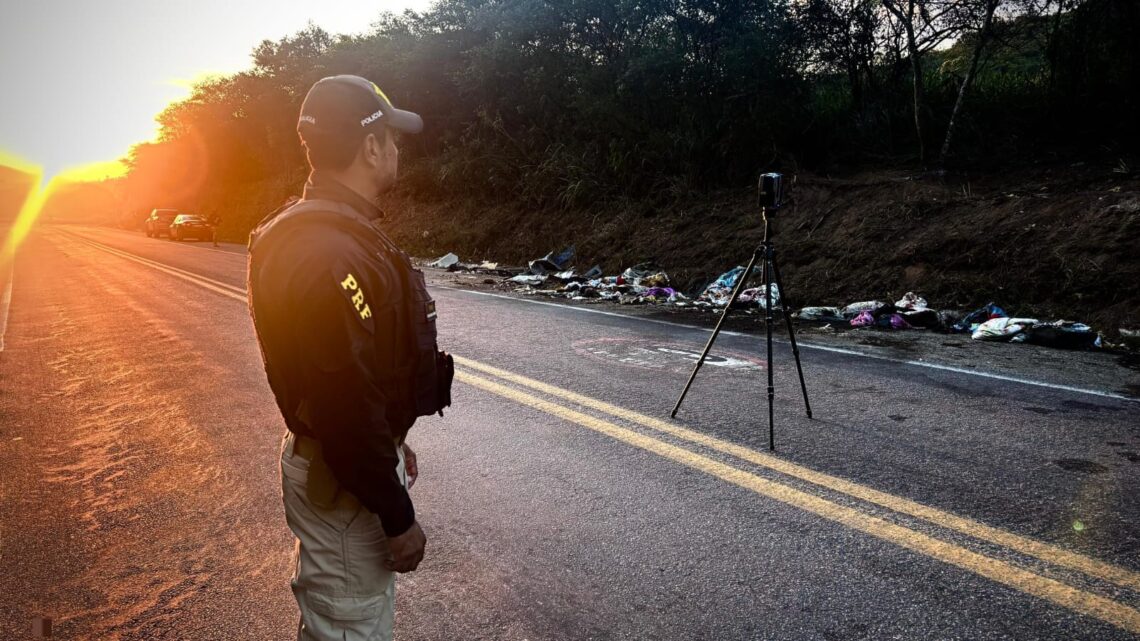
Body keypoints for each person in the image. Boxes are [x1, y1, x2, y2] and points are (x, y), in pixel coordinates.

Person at [247, 75, 453, 641]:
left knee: (340, 620)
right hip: (344, 481)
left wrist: (392, 434)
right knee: (350, 625)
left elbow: (348, 369)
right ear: (370, 146)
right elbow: (340, 400)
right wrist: (395, 514)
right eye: (391, 136)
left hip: (346, 462)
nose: (396, 149)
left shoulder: (329, 236)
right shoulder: (325, 252)